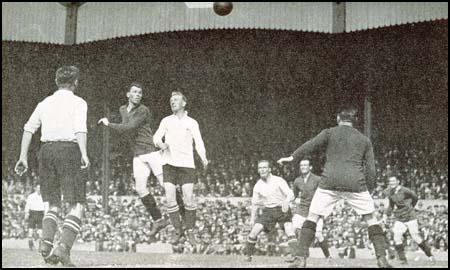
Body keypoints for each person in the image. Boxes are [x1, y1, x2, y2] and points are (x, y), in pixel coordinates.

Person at [277, 106, 392, 268]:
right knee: (371, 219)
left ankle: (301, 259)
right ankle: (381, 259)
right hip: (355, 182)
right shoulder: (364, 140)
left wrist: (292, 157)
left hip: (329, 181)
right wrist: (369, 188)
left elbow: (311, 145)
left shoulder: (330, 132)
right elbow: (371, 169)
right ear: (355, 122)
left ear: (338, 119)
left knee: (312, 217)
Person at [15, 66, 89, 266]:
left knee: (52, 203)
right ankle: (63, 248)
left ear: (57, 82)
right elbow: (80, 129)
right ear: (75, 83)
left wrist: (23, 157)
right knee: (77, 203)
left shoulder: (45, 103)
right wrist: (83, 153)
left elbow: (28, 128)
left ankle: (46, 242)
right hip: (69, 150)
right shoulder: (79, 102)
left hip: (46, 152)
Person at [98, 82, 181, 235]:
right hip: (138, 154)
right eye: (134, 92)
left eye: (140, 93)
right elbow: (126, 129)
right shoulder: (123, 109)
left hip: (151, 152)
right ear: (128, 94)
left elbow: (129, 127)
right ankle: (158, 220)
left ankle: (183, 218)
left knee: (167, 186)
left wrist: (109, 124)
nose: (137, 95)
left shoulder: (143, 110)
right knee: (140, 188)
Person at [153, 91, 208, 247]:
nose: (172, 102)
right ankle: (178, 230)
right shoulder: (166, 121)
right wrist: (160, 144)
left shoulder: (192, 122)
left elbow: (199, 141)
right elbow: (156, 137)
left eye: (176, 100)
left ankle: (190, 230)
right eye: (171, 100)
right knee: (170, 198)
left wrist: (203, 157)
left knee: (188, 199)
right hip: (169, 163)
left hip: (186, 165)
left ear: (184, 103)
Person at [244, 160, 297, 263]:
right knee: (254, 231)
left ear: (269, 169)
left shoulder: (278, 180)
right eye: (260, 168)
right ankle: (248, 256)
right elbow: (255, 204)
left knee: (289, 229)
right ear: (258, 170)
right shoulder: (258, 185)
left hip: (282, 208)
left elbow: (291, 194)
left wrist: (286, 201)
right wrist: (252, 219)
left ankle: (296, 257)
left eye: (264, 167)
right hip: (268, 210)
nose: (262, 170)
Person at [285, 158, 331, 262]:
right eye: (301, 165)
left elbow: (325, 195)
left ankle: (328, 256)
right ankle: (297, 255)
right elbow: (294, 195)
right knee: (292, 229)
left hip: (315, 212)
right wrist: (287, 201)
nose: (303, 167)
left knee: (318, 235)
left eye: (305, 165)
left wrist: (325, 210)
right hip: (301, 210)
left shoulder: (318, 180)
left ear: (310, 167)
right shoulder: (297, 181)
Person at [386, 175, 436, 264]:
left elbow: (415, 197)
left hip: (410, 216)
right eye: (390, 181)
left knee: (416, 237)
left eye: (393, 181)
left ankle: (430, 256)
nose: (392, 183)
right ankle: (403, 260)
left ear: (398, 182)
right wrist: (387, 214)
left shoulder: (405, 190)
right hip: (400, 217)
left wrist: (410, 207)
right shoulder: (390, 192)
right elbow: (391, 205)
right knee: (396, 237)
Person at [24, 184, 46, 251]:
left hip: (40, 214)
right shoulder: (31, 196)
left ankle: (40, 246)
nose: (39, 189)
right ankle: (31, 245)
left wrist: (45, 214)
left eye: (40, 188)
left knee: (40, 231)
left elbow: (45, 206)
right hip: (32, 214)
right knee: (31, 230)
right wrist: (26, 213)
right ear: (35, 188)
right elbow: (28, 205)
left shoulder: (44, 196)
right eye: (38, 188)